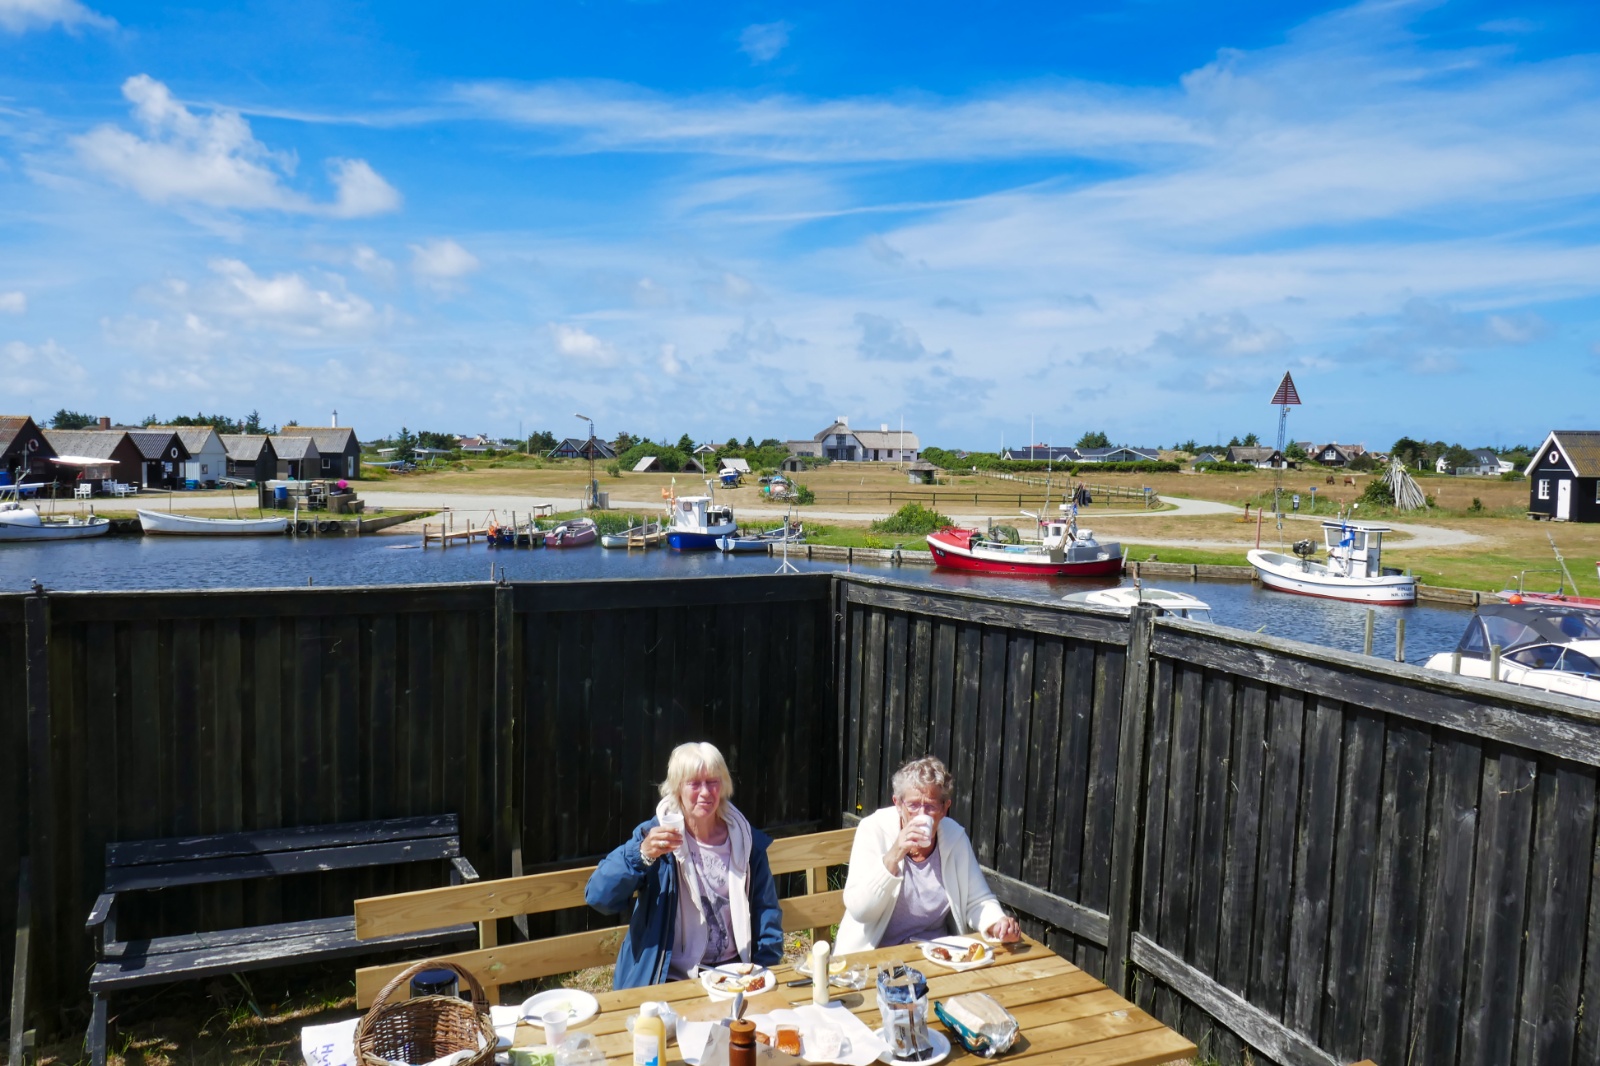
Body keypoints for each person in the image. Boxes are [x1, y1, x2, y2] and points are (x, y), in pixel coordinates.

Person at [586, 741, 784, 988]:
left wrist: (764, 970)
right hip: (668, 976)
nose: (705, 792)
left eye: (713, 781)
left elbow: (767, 913)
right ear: (677, 788)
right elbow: (598, 896)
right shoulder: (656, 837)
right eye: (694, 783)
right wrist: (641, 854)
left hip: (734, 972)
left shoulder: (746, 842)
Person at [835, 755, 1021, 954]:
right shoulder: (874, 830)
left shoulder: (954, 837)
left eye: (931, 806)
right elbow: (861, 911)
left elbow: (977, 900)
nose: (921, 814)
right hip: (877, 955)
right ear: (898, 804)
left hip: (937, 954)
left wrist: (997, 923)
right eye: (913, 805)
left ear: (944, 808)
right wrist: (895, 853)